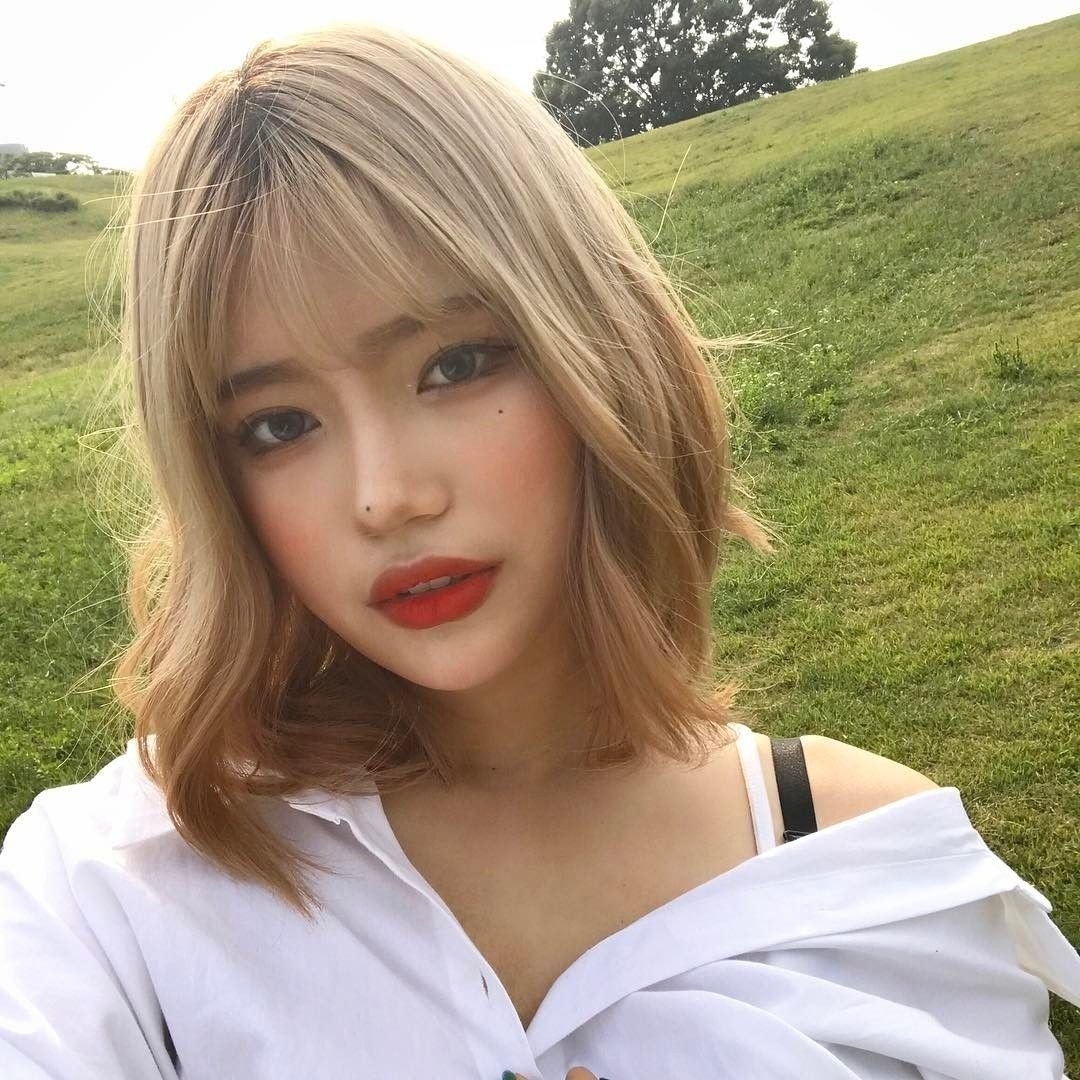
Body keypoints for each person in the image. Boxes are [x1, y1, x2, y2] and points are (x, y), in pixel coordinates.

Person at [1, 20, 1077, 1080]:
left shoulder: (872, 877)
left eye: (455, 365)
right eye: (279, 426)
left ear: (597, 342)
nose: (387, 497)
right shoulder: (114, 889)